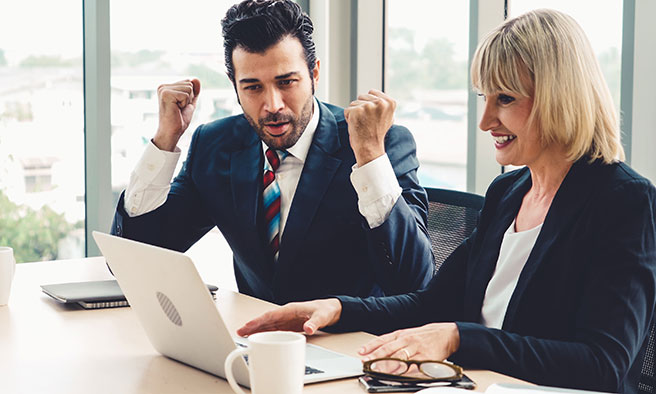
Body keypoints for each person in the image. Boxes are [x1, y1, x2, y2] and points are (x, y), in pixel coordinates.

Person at [236, 9, 656, 394]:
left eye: (505, 99)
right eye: (484, 98)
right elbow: (433, 304)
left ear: (560, 97)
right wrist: (337, 308)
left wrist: (459, 339)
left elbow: (604, 366)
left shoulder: (627, 204)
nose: (485, 121)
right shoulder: (509, 193)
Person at [110, 0, 433, 304]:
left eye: (287, 82)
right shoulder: (216, 144)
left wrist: (369, 157)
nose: (273, 105)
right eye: (253, 87)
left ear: (314, 74)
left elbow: (414, 282)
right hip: (259, 343)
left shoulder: (381, 144)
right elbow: (135, 259)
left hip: (355, 343)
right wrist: (165, 140)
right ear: (234, 84)